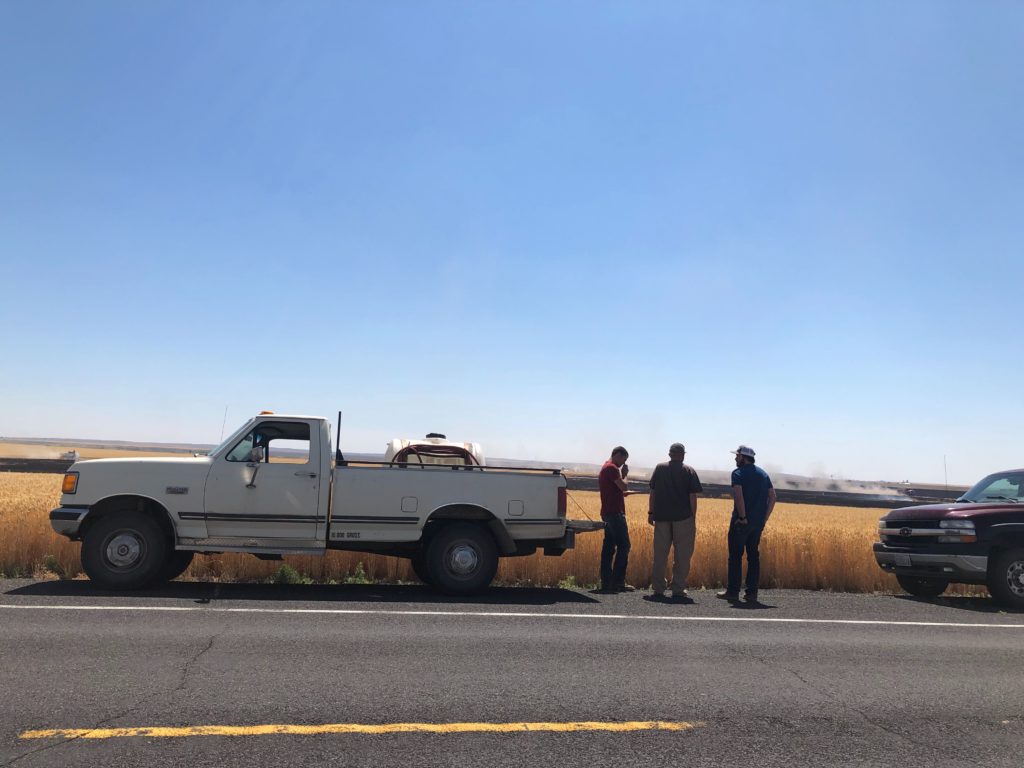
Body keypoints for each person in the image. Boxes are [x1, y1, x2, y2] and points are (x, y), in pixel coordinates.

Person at [718, 445, 776, 603]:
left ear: (744, 457)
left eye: (737, 456)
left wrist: (742, 517)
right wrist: (764, 518)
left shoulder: (738, 473)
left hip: (741, 522)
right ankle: (751, 593)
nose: (735, 459)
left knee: (735, 557)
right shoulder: (763, 474)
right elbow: (773, 496)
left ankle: (733, 592)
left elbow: (738, 496)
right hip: (757, 523)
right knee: (753, 557)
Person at [648, 443, 703, 600]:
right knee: (682, 556)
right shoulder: (689, 471)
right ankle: (678, 588)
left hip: (661, 518)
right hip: (683, 519)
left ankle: (658, 588)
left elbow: (652, 492)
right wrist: (693, 517)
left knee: (660, 554)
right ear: (683, 455)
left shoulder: (659, 468)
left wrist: (650, 512)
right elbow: (693, 497)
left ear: (670, 454)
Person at [598, 446, 634, 592]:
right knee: (624, 546)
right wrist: (625, 474)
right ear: (618, 455)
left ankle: (606, 582)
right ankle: (617, 582)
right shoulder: (612, 468)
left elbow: (616, 490)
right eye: (623, 459)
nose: (623, 464)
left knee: (608, 548)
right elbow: (624, 486)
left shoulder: (605, 467)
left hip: (607, 512)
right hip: (614, 513)